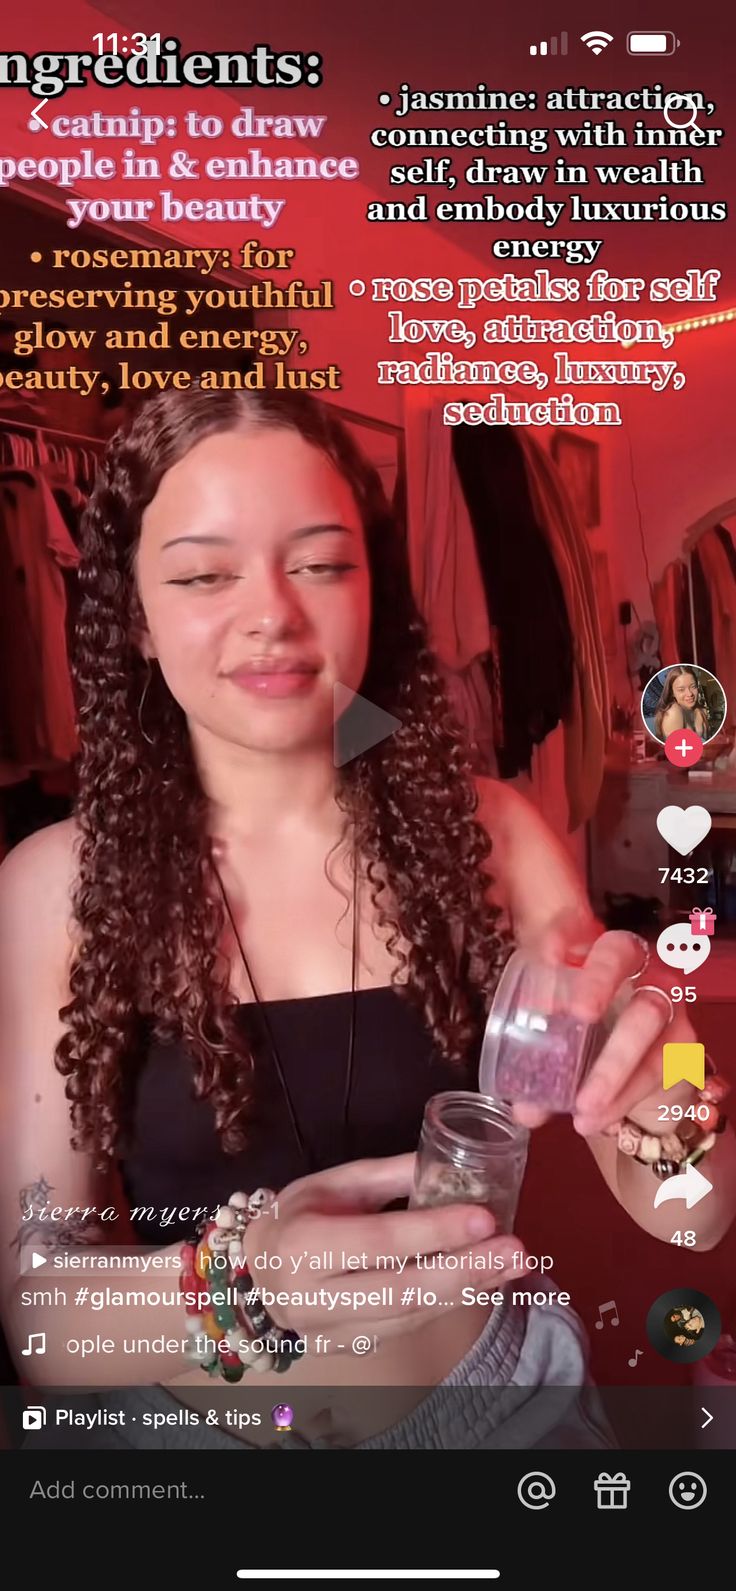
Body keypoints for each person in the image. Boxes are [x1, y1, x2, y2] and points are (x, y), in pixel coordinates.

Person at [1, 388, 735, 1451]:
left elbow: (690, 1211)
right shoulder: (52, 888)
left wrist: (668, 1069)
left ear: (375, 593)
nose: (273, 614)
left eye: (322, 563)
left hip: (497, 1417)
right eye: (205, 574)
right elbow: (43, 1319)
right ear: (137, 623)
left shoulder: (491, 835)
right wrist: (245, 1280)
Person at [654, 665, 710, 741]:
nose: (690, 694)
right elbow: (674, 751)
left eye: (693, 687)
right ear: (672, 692)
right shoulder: (673, 712)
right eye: (681, 690)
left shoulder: (701, 711)